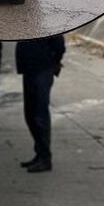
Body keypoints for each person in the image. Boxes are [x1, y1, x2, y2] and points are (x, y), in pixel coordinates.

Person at [15, 36, 65, 173]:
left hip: (42, 69)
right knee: (30, 113)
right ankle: (40, 153)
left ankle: (45, 158)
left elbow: (59, 44)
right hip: (30, 69)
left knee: (39, 113)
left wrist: (55, 61)